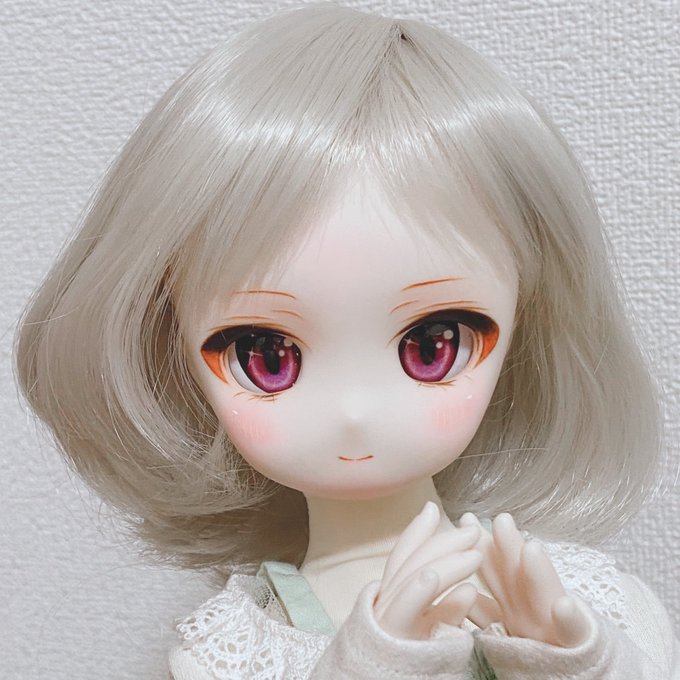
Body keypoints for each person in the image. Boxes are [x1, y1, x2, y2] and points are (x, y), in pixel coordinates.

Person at [15, 4, 677, 678]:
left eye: (431, 346)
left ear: (524, 321)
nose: (354, 409)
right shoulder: (234, 652)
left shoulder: (585, 601)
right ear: (170, 348)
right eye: (267, 358)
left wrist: (577, 661)